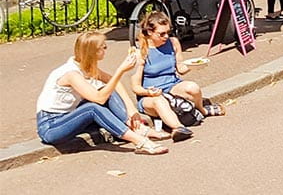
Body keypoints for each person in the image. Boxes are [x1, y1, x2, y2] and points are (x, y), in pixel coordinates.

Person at [36, 32, 170, 155]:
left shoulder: (85, 67)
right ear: (92, 52)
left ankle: (139, 128)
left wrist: (132, 111)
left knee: (107, 91)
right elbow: (99, 99)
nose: (106, 49)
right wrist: (121, 70)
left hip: (70, 116)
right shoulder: (71, 74)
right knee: (93, 107)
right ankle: (140, 142)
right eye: (103, 47)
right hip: (51, 126)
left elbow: (113, 83)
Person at [132, 12, 224, 139]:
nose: (166, 37)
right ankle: (178, 128)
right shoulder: (140, 52)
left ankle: (202, 110)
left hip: (172, 86)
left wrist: (195, 65)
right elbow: (135, 87)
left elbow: (180, 68)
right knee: (159, 102)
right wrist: (149, 92)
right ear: (149, 32)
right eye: (161, 34)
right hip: (151, 94)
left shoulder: (173, 42)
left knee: (193, 87)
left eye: (168, 32)